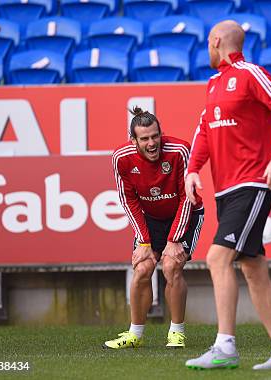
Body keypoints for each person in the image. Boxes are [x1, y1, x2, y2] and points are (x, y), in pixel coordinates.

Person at [183, 20, 271, 370]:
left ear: (216, 41)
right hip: (226, 190)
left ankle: (226, 347)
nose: (207, 46)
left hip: (253, 183)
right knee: (253, 267)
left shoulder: (251, 73)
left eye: (208, 41)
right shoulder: (214, 83)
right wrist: (192, 170)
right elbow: (204, 130)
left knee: (218, 258)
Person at [104, 107, 204, 350]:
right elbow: (129, 201)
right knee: (142, 269)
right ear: (134, 140)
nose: (152, 143)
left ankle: (176, 333)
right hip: (151, 218)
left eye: (155, 136)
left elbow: (186, 197)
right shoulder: (121, 158)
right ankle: (134, 334)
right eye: (145, 138)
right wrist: (145, 242)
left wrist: (174, 239)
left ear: (161, 134)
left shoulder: (179, 150)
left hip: (185, 215)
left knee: (171, 266)